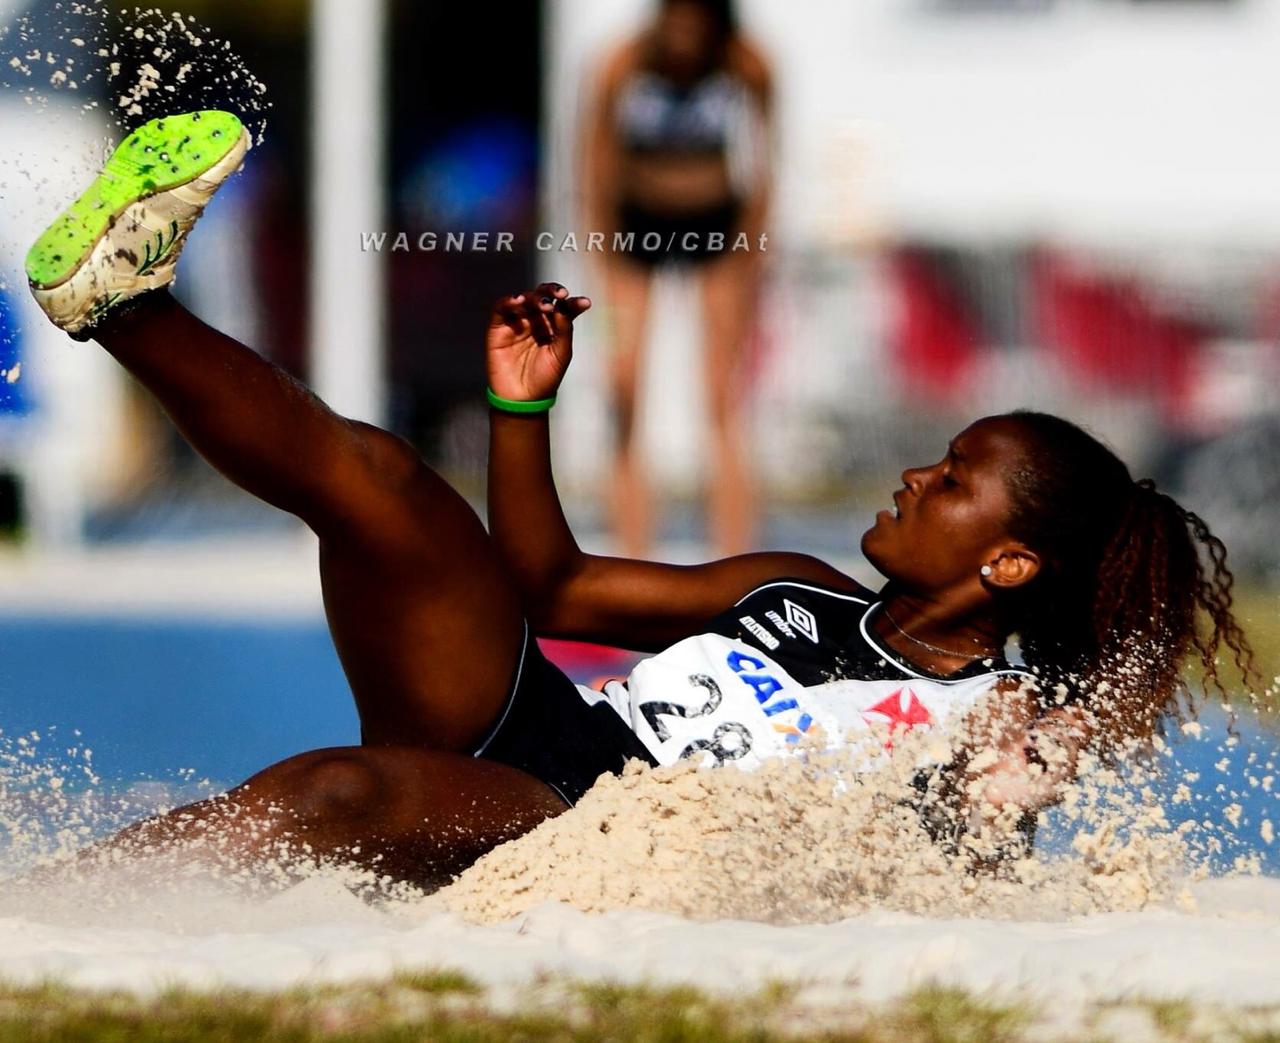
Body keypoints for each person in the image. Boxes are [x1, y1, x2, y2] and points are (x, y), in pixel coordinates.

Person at [26, 112, 1255, 890]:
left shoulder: (995, 709)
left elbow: (981, 835)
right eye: (935, 455)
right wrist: (521, 412)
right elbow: (552, 587)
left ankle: (61, 919)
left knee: (337, 791)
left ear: (1009, 563)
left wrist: (1016, 786)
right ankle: (123, 303)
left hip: (580, 822)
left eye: (951, 481)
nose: (913, 477)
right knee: (384, 482)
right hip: (536, 720)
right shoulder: (799, 589)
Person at [583, 0, 773, 557]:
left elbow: (765, 162)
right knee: (622, 391)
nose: (686, 37)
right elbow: (593, 158)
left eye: (698, 23)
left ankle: (736, 559)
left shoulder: (747, 64)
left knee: (722, 397)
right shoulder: (623, 64)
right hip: (633, 232)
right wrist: (600, 249)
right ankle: (631, 553)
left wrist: (753, 250)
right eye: (677, 22)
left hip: (716, 232)